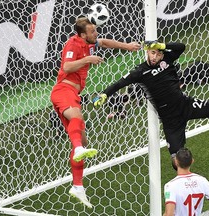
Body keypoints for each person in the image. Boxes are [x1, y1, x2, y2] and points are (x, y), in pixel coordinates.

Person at [93, 41, 209, 170]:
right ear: (147, 52)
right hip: (170, 120)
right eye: (152, 53)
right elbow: (119, 84)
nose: (155, 57)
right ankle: (186, 166)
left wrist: (162, 45)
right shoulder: (139, 72)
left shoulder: (168, 59)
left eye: (158, 53)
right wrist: (104, 94)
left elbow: (181, 47)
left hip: (187, 105)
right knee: (176, 162)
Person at [50, 17, 140, 208]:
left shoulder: (90, 42)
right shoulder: (73, 44)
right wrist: (87, 59)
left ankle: (77, 187)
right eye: (92, 31)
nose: (96, 34)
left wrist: (127, 46)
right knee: (77, 118)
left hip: (74, 93)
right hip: (63, 90)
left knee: (81, 142)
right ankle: (79, 153)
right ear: (82, 34)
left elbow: (105, 42)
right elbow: (66, 67)